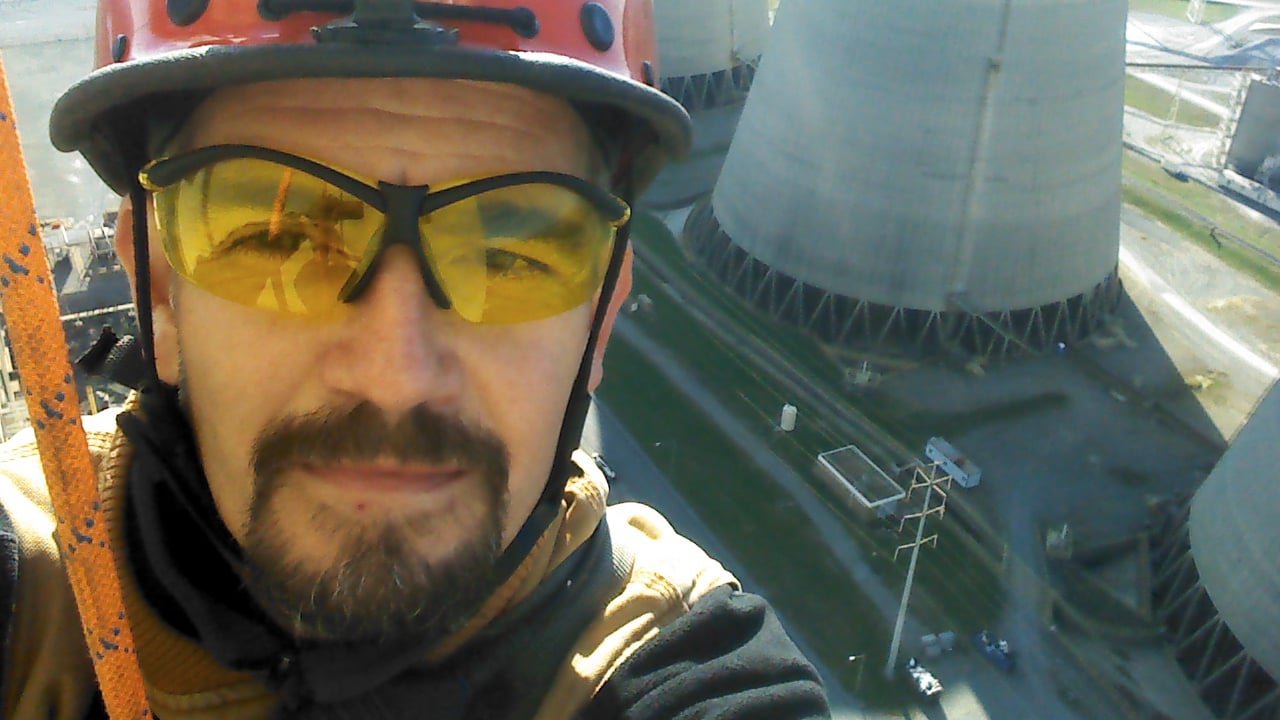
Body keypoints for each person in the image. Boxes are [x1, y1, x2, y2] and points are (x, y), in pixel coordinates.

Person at [0, 0, 830, 718]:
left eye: (508, 255)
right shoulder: (37, 586)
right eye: (278, 238)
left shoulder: (673, 665)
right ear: (159, 292)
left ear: (600, 319)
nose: (394, 375)